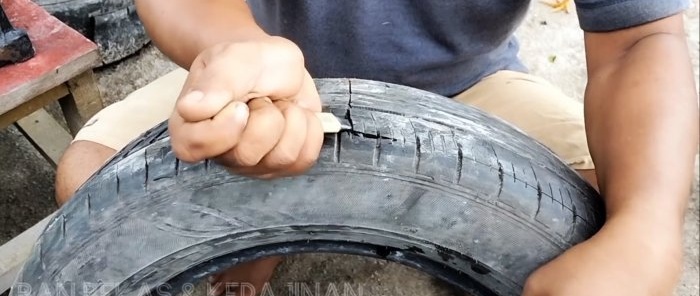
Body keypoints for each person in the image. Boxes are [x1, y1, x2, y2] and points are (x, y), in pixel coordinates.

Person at [54, 1, 698, 295]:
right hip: (260, 73)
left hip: (468, 82)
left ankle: (269, 216)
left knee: (602, 207)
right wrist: (238, 49)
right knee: (91, 188)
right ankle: (270, 230)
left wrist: (646, 226)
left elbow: (640, 40)